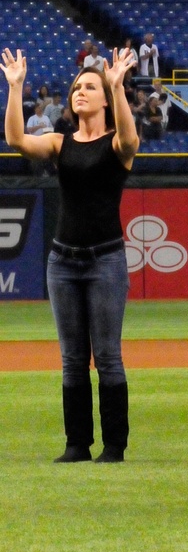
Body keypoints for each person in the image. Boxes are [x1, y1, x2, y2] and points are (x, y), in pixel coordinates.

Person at [1, 46, 138, 462]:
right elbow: (15, 140)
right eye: (79, 86)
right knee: (72, 359)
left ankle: (114, 446)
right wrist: (16, 88)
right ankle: (77, 445)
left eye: (90, 87)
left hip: (105, 260)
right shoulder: (60, 143)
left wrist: (117, 87)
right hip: (63, 261)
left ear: (103, 99)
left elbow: (130, 138)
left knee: (108, 357)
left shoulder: (117, 143)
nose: (81, 92)